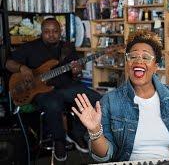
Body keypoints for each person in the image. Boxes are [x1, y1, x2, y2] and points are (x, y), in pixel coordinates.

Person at [72, 30, 169, 162]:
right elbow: (105, 155)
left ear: (156, 66)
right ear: (127, 62)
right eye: (133, 57)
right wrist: (95, 132)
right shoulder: (110, 101)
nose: (139, 61)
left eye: (145, 57)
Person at [5, 18, 101, 161]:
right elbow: (8, 63)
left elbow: (76, 76)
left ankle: (76, 133)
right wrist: (22, 68)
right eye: (47, 32)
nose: (51, 35)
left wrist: (76, 72)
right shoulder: (30, 47)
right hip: (41, 92)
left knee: (95, 98)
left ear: (60, 32)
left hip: (66, 88)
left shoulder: (67, 48)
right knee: (53, 103)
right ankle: (59, 140)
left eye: (55, 31)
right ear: (41, 32)